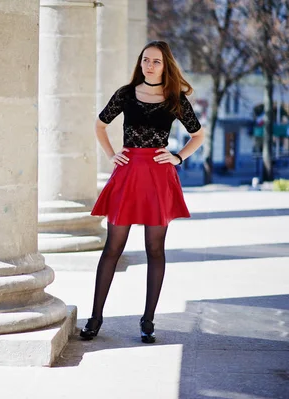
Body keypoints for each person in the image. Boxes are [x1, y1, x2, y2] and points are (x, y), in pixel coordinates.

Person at [80, 41, 205, 343]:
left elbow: (198, 135)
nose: (149, 65)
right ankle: (95, 318)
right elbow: (99, 125)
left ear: (166, 66)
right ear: (140, 63)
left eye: (156, 61)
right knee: (113, 247)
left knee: (155, 249)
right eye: (146, 60)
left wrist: (177, 157)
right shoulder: (126, 94)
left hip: (158, 176)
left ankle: (148, 321)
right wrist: (111, 154)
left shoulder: (175, 99)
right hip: (128, 172)